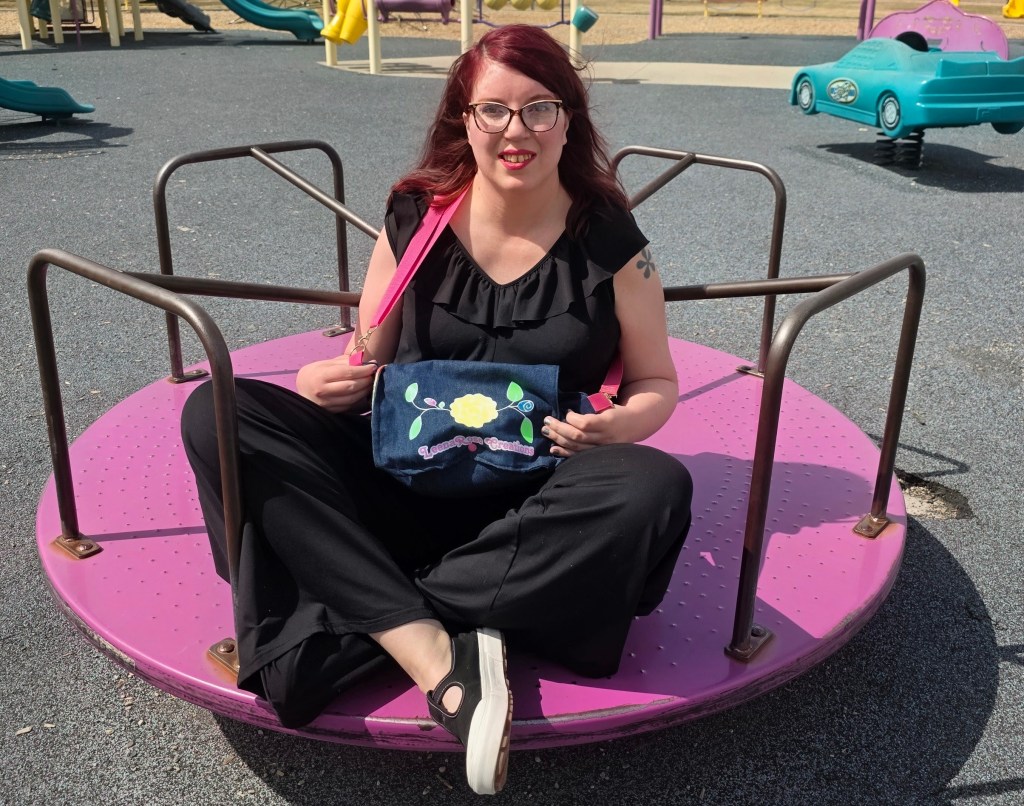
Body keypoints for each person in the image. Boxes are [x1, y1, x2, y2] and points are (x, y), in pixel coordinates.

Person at [181, 24, 692, 796]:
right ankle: (435, 649)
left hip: (534, 501)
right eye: (492, 111)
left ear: (570, 118)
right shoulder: (416, 217)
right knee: (216, 412)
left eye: (539, 109)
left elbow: (657, 383)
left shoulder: (614, 243)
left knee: (653, 487)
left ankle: (364, 604)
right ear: (463, 118)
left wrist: (620, 424)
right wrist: (332, 377)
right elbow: (366, 349)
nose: (514, 132)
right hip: (403, 476)